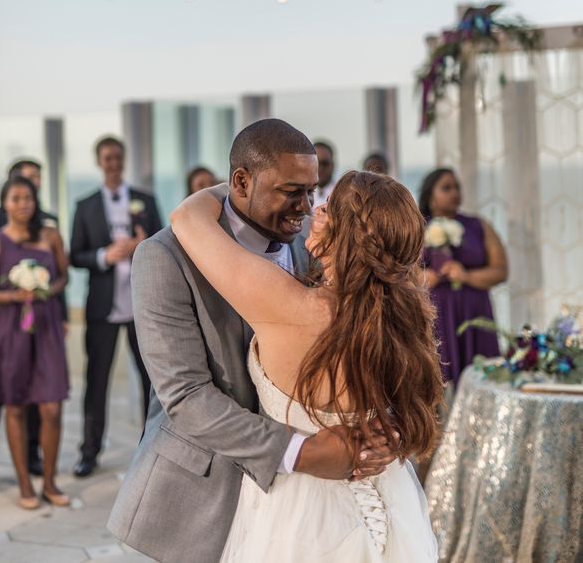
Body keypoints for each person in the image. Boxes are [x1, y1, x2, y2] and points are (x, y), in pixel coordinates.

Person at [109, 119, 434, 563]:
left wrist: (380, 422)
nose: (305, 208)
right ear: (241, 182)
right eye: (291, 191)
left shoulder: (313, 242)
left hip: (298, 510)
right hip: (206, 488)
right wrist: (303, 450)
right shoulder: (165, 257)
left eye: (313, 193)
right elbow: (185, 395)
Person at [70, 136, 162, 478]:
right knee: (97, 381)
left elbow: (165, 242)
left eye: (118, 157)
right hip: (102, 308)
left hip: (142, 305)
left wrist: (144, 245)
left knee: (152, 381)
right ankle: (89, 451)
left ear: (123, 160)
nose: (113, 163)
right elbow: (74, 255)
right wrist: (103, 256)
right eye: (108, 158)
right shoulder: (85, 205)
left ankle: (152, 448)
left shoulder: (145, 200)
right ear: (99, 161)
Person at [0, 176, 69, 509]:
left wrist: (47, 289)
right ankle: (25, 486)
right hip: (9, 330)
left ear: (35, 201)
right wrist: (13, 295)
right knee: (15, 406)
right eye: (16, 198)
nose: (23, 204)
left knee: (52, 408)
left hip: (45, 327)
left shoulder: (51, 236)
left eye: (28, 198)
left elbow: (63, 276)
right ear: (4, 203)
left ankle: (49, 482)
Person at [419, 167, 509, 385]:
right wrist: (423, 277)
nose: (454, 193)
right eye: (446, 188)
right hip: (437, 313)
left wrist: (466, 276)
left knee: (483, 379)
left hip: (475, 312)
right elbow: (401, 269)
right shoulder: (416, 227)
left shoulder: (478, 225)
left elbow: (501, 270)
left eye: (457, 187)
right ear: (431, 195)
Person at [313, 140, 337, 206]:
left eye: (325, 163)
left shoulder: (342, 193)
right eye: (316, 163)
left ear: (333, 165)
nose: (321, 168)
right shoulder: (300, 196)